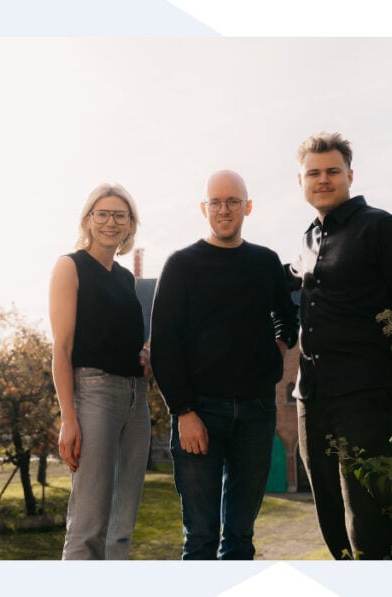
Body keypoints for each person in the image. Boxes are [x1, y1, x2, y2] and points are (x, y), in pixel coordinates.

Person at [286, 132, 392, 560]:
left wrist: (388, 379)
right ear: (301, 182)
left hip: (365, 395)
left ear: (350, 174)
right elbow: (293, 284)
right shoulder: (309, 238)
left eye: (332, 171)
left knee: (367, 519)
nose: (323, 179)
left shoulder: (381, 228)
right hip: (310, 396)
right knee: (330, 516)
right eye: (313, 173)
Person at [149, 170, 298, 560]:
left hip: (257, 412)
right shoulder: (181, 264)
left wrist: (277, 350)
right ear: (204, 208)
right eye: (216, 202)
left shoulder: (265, 262)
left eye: (233, 201)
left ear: (248, 207)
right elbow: (164, 346)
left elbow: (287, 316)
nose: (224, 209)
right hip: (200, 412)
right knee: (199, 538)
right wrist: (183, 411)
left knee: (240, 539)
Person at [49, 183, 152, 560]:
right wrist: (68, 417)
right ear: (88, 220)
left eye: (119, 216)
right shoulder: (70, 266)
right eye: (103, 214)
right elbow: (61, 348)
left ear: (130, 225)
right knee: (89, 524)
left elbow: (123, 338)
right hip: (93, 395)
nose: (111, 222)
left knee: (122, 527)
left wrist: (143, 353)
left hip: (135, 401)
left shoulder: (127, 280)